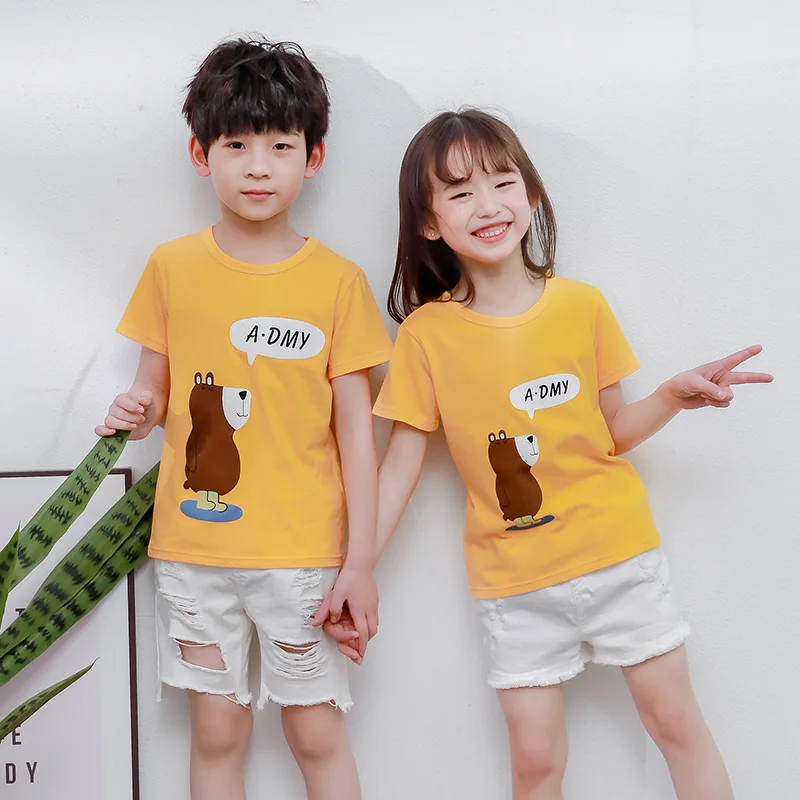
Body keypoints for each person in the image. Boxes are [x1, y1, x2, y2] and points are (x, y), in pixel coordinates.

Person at [370, 108, 772, 799]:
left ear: (530, 195)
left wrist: (672, 396)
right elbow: (401, 465)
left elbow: (610, 430)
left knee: (676, 724)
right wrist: (355, 568)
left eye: (503, 182)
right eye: (460, 192)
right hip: (514, 584)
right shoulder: (426, 336)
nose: (487, 204)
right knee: (534, 761)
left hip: (618, 556)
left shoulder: (582, 306)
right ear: (430, 222)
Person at [96, 37, 391, 800]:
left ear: (312, 158)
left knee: (317, 735)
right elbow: (153, 397)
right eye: (236, 145)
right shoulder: (171, 267)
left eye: (280, 146)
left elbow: (358, 437)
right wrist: (134, 413)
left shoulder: (338, 283)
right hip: (195, 554)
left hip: (304, 559)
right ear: (201, 154)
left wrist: (359, 562)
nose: (258, 166)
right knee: (217, 735)